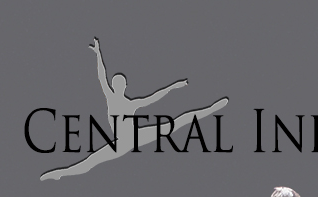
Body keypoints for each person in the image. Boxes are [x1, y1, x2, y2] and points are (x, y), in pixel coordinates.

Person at [40, 37, 228, 181]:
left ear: (126, 86)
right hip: (121, 143)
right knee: (89, 162)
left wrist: (173, 87)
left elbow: (154, 97)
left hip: (137, 136)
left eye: (121, 83)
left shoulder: (132, 103)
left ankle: (211, 108)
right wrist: (98, 54)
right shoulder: (111, 97)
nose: (117, 85)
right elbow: (101, 76)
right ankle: (60, 173)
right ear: (114, 86)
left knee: (178, 121)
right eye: (116, 83)